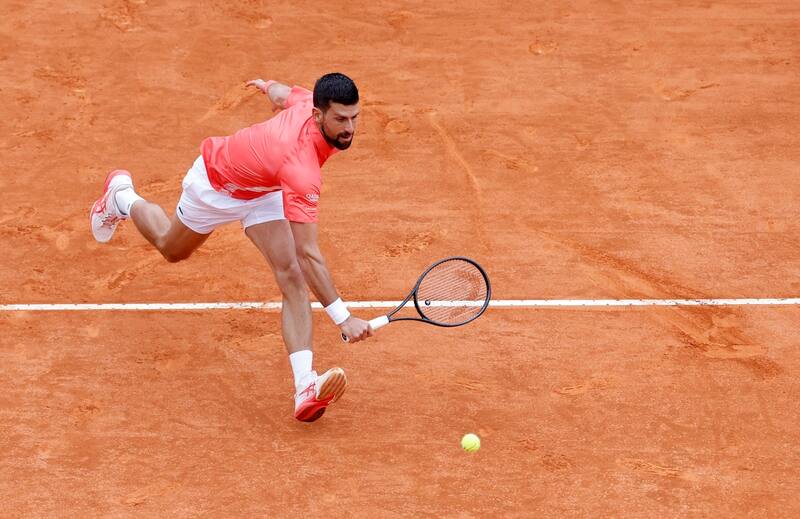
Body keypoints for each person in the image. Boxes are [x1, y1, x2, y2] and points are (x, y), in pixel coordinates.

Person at [89, 72, 373, 422]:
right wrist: (343, 318)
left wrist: (269, 87)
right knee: (171, 248)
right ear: (318, 115)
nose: (350, 128)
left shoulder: (307, 103)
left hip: (266, 187)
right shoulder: (302, 169)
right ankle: (122, 196)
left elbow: (288, 94)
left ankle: (305, 387)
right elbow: (308, 251)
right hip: (217, 184)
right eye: (341, 119)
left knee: (292, 276)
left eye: (355, 117)